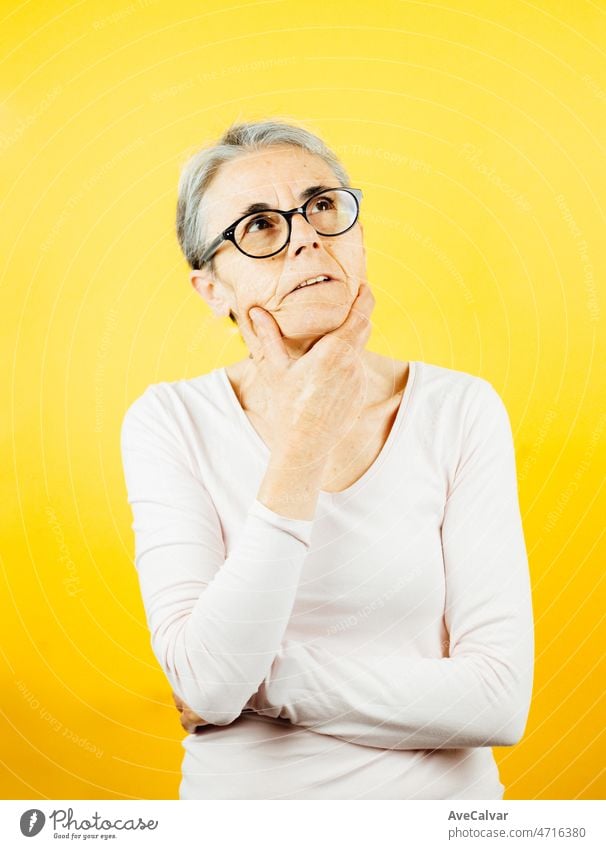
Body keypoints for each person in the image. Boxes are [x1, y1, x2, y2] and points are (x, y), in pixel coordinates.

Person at [120, 118, 534, 800]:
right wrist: (306, 435)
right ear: (213, 291)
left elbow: (497, 698)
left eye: (322, 206)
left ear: (358, 236)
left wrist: (262, 682)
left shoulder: (461, 410)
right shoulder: (170, 422)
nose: (307, 235)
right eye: (258, 225)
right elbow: (207, 681)